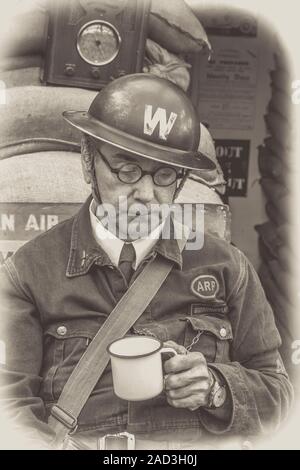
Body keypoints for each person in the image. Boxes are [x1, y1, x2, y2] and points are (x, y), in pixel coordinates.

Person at [0, 74, 293, 450]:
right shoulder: (29, 272)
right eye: (126, 169)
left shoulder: (227, 266)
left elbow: (279, 394)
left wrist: (218, 389)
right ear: (89, 162)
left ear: (182, 179)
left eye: (165, 175)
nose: (145, 194)